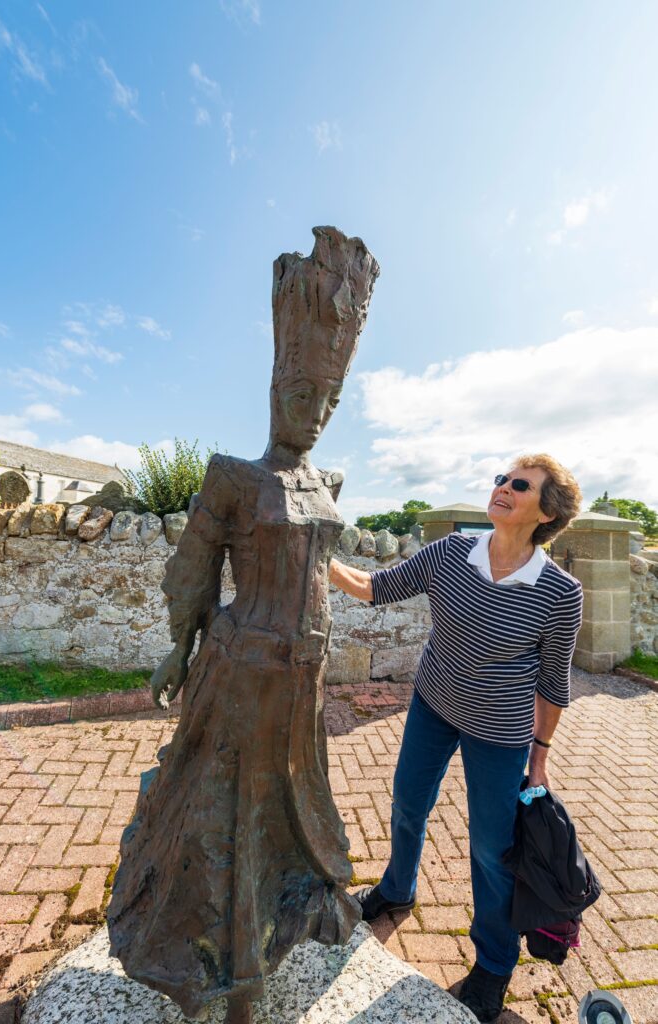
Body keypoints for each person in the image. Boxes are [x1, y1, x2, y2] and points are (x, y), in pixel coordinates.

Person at [107, 227, 379, 1024]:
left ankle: (273, 937)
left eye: (328, 402)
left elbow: (322, 575)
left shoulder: (324, 482)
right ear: (274, 391)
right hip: (238, 676)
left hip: (298, 690)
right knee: (221, 823)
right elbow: (190, 570)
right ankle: (217, 973)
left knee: (286, 823)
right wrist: (178, 647)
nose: (316, 414)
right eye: (303, 397)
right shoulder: (232, 475)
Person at [329, 455, 583, 1023]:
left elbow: (553, 681)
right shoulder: (451, 554)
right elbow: (377, 586)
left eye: (519, 485)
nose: (502, 488)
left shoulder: (559, 593)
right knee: (407, 804)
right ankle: (397, 889)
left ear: (546, 511)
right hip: (433, 704)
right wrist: (320, 560)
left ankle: (493, 966)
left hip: (501, 731)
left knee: (493, 850)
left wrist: (539, 761)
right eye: (501, 478)